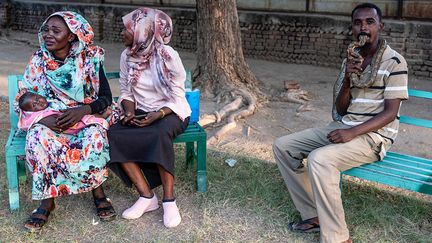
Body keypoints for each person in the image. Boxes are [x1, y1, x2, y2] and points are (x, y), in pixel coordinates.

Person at [272, 3, 408, 242]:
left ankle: (338, 237)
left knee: (320, 159)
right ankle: (313, 215)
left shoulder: (394, 62)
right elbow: (341, 109)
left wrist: (352, 132)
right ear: (352, 28)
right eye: (358, 23)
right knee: (284, 146)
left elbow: (389, 113)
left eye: (370, 22)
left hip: (374, 136)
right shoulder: (351, 60)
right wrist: (347, 79)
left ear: (380, 26)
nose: (363, 28)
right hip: (345, 126)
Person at [16, 11, 118, 232]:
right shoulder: (37, 61)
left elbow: (106, 99)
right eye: (46, 30)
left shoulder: (89, 59)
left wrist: (83, 110)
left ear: (72, 36)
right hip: (52, 121)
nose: (48, 35)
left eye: (56, 30)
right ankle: (46, 201)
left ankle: (98, 192)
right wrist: (44, 119)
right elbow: (24, 96)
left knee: (95, 136)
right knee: (36, 137)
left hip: (84, 117)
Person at [107, 8, 191, 228]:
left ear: (142, 33)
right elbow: (126, 90)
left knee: (159, 132)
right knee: (114, 134)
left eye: (127, 30)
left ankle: (169, 200)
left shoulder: (167, 55)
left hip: (171, 110)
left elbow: (178, 94)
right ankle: (146, 196)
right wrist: (129, 111)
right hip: (142, 109)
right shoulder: (127, 55)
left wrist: (159, 114)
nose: (122, 34)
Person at [18, 91, 111, 134]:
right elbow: (27, 122)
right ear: (31, 111)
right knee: (84, 120)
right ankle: (101, 117)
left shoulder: (51, 102)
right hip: (64, 125)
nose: (38, 102)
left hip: (73, 113)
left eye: (38, 98)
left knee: (84, 116)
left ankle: (100, 116)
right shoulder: (37, 115)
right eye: (34, 105)